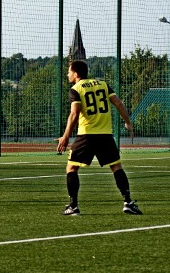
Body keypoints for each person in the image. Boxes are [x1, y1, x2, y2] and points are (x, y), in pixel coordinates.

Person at [56, 60, 142, 216]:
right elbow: (117, 102)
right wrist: (128, 122)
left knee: (71, 168)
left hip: (86, 135)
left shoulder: (75, 89)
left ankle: (73, 206)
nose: (67, 75)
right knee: (116, 167)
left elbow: (75, 114)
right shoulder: (102, 84)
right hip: (105, 135)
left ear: (76, 74)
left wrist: (66, 136)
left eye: (69, 72)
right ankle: (128, 202)